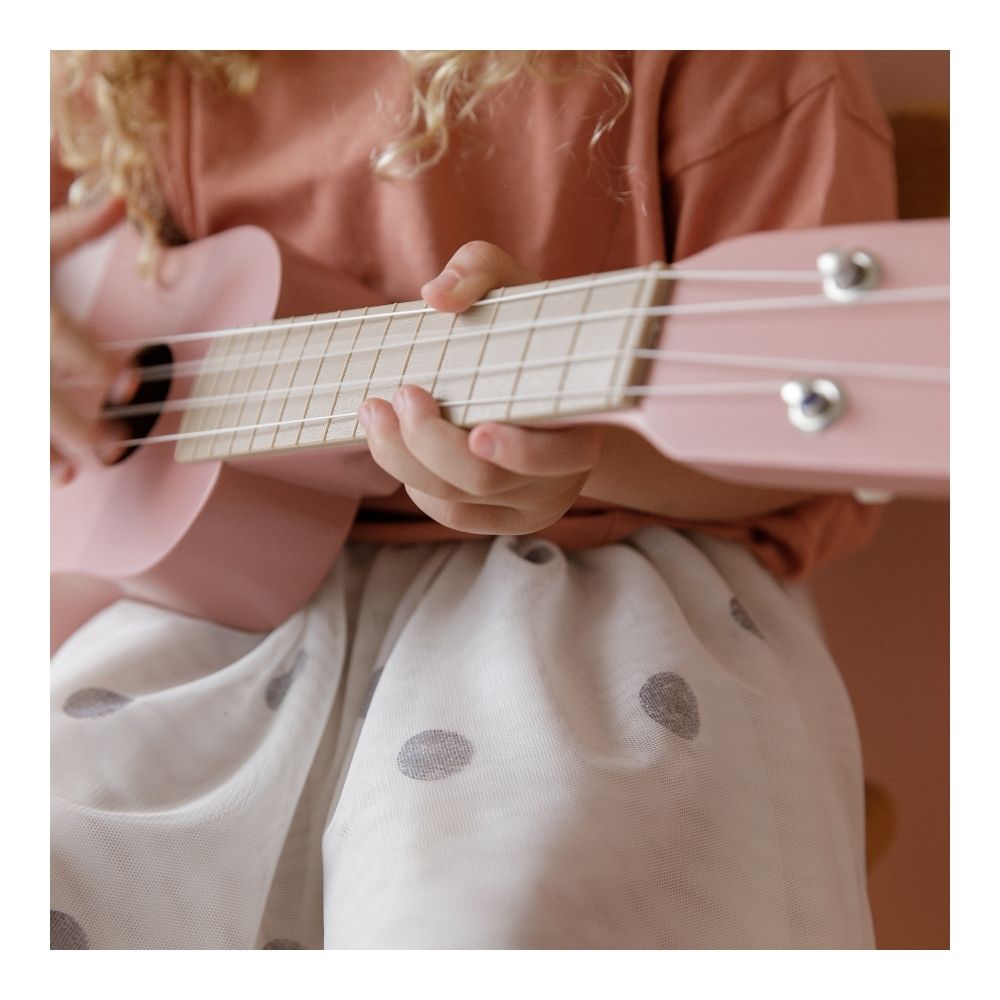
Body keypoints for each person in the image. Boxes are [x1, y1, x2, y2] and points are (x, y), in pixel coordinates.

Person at [50, 50, 897, 949]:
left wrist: (585, 449)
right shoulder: (132, 61)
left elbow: (809, 427)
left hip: (594, 589)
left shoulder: (739, 55)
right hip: (212, 608)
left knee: (493, 914)